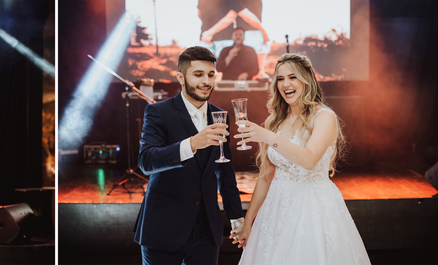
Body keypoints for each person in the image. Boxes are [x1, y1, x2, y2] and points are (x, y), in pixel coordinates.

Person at [230, 53, 370, 264]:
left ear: (307, 80)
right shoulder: (274, 122)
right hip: (275, 210)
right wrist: (248, 222)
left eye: (292, 77)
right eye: (280, 78)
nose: (285, 83)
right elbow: (265, 176)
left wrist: (267, 136)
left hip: (313, 209)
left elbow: (309, 159)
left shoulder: (324, 117)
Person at [134, 46, 245, 265]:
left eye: (211, 75)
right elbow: (146, 161)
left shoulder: (219, 116)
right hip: (163, 229)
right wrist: (192, 144)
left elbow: (224, 170)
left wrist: (236, 216)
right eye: (198, 74)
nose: (206, 81)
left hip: (206, 232)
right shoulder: (158, 112)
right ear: (181, 77)